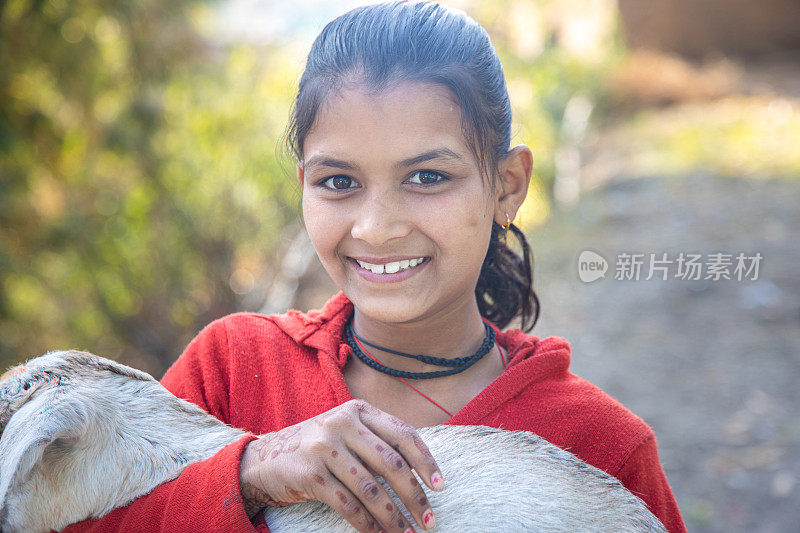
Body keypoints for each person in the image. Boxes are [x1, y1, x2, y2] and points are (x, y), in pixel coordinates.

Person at [63, 2, 686, 532]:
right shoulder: (232, 370)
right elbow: (87, 516)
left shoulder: (600, 445)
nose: (376, 227)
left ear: (506, 185)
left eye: (426, 177)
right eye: (340, 181)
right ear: (303, 184)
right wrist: (254, 470)